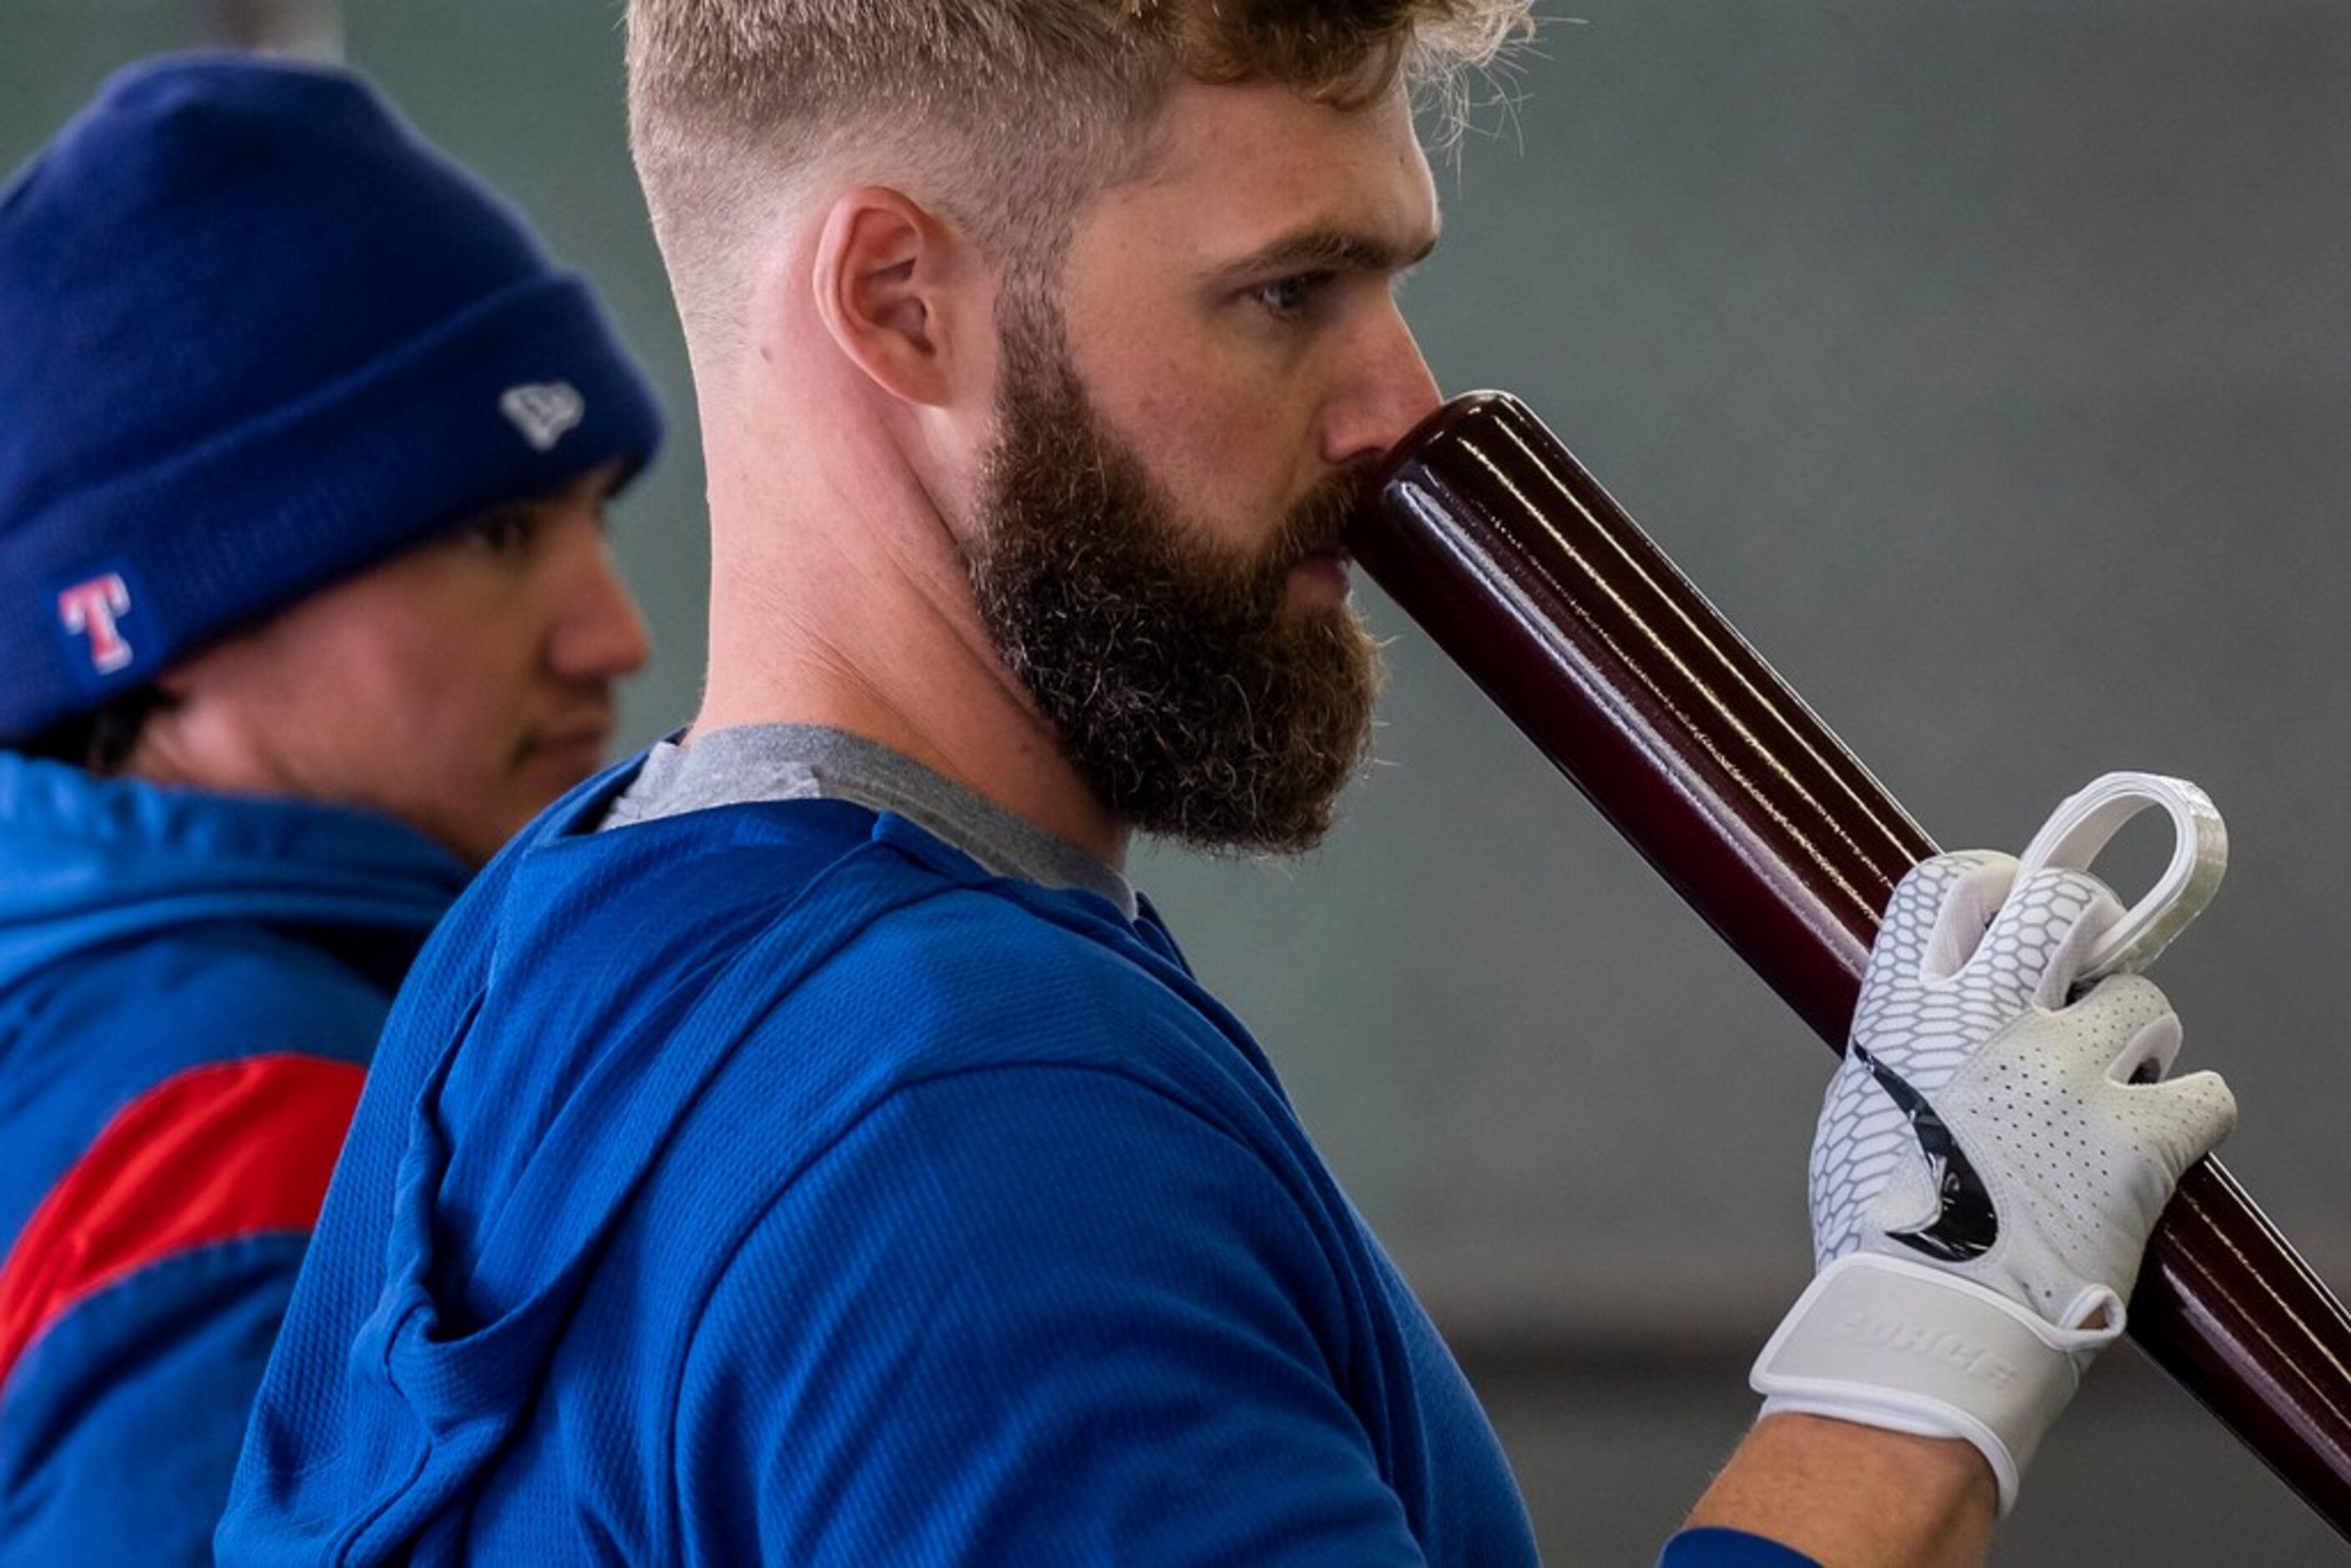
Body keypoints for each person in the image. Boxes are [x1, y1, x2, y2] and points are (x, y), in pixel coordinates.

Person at [218, 6, 2234, 1565]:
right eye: (1287, 291)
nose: (1402, 406)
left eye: (1387, 278)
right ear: (899, 301)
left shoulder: (537, 939)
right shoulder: (968, 1126)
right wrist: (1927, 1336)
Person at [0, 54, 662, 1563]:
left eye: (591, 517)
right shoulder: (257, 1125)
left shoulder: (79, 1032)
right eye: (500, 532)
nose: (612, 632)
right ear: (167, 628)